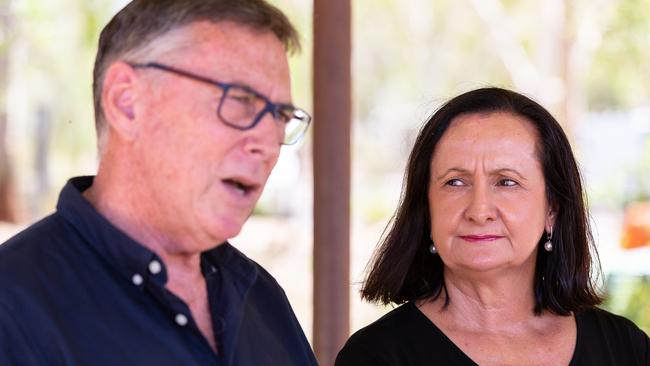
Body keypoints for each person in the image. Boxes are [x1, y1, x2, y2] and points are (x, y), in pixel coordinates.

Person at [0, 1, 318, 365]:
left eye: (279, 115)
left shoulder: (261, 298)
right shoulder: (12, 310)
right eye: (241, 99)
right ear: (127, 102)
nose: (268, 141)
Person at [336, 87, 649, 365]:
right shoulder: (375, 355)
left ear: (552, 209)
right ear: (426, 208)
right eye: (455, 182)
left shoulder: (625, 347)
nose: (479, 210)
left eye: (506, 182)